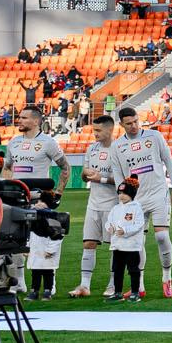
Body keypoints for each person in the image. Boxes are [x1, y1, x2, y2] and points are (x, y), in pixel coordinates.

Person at [114, 107, 172, 298]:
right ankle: (139, 285)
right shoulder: (118, 146)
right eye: (129, 123)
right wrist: (122, 197)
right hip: (136, 200)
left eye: (135, 121)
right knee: (136, 241)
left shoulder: (154, 136)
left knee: (161, 237)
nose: (133, 126)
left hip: (159, 193)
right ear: (121, 124)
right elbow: (118, 173)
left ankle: (167, 278)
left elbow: (169, 162)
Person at [68, 113, 119, 298]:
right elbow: (83, 175)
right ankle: (84, 285)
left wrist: (101, 178)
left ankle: (114, 284)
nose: (95, 134)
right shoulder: (92, 149)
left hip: (113, 205)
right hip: (93, 204)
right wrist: (86, 173)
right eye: (93, 130)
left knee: (115, 246)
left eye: (98, 130)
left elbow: (124, 181)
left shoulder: (119, 149)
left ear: (110, 129)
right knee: (88, 243)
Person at [105, 175, 150, 301]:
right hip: (117, 245)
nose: (121, 196)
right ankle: (118, 292)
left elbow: (138, 225)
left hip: (132, 246)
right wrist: (110, 227)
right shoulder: (115, 208)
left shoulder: (137, 208)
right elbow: (109, 222)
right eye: (120, 193)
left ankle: (135, 293)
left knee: (133, 270)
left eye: (124, 193)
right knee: (117, 270)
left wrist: (125, 230)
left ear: (131, 194)